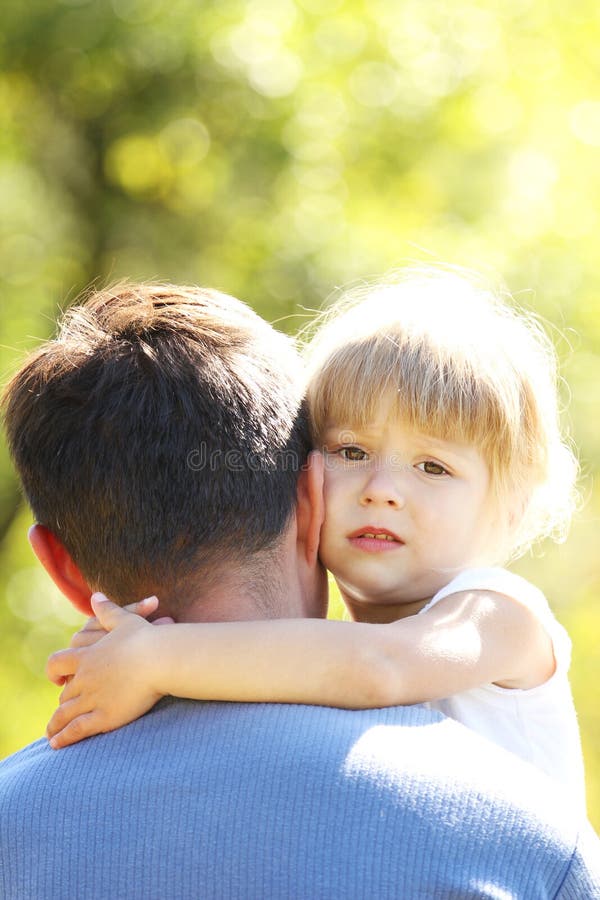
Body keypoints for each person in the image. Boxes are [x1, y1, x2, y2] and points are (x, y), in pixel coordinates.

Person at [1, 281, 599, 899]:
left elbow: (379, 670)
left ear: (511, 507)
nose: (381, 488)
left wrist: (153, 657)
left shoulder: (499, 613)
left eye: (433, 467)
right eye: (352, 450)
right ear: (308, 487)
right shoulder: (328, 654)